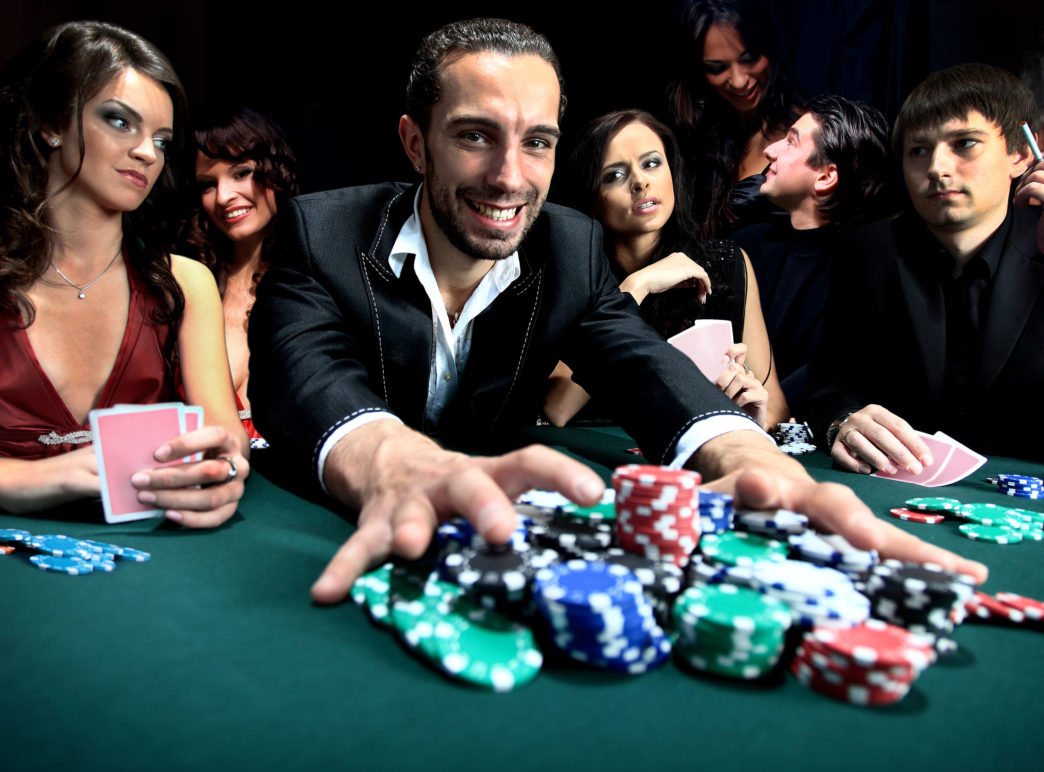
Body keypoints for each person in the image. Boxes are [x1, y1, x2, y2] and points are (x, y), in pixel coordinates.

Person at [246, 18, 986, 604]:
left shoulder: (570, 248)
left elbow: (644, 368)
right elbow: (300, 378)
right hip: (317, 535)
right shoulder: (323, 232)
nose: (509, 177)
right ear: (416, 142)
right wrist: (391, 462)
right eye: (475, 135)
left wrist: (748, 457)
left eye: (537, 142)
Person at [0, 21, 248, 524]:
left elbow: (227, 442)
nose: (147, 153)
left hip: (157, 538)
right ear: (52, 124)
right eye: (120, 121)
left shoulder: (186, 281)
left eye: (162, 140)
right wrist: (7, 479)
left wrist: (226, 470)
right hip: (5, 540)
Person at [803, 63, 1044, 472]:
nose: (936, 167)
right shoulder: (869, 251)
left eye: (964, 144)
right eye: (918, 150)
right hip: (900, 485)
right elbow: (828, 386)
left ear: (1020, 154)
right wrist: (841, 423)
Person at [544, 109, 788, 430]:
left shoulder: (726, 264)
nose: (640, 182)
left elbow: (775, 408)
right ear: (592, 198)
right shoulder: (571, 274)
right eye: (614, 175)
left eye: (651, 163)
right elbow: (556, 409)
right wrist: (637, 287)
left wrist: (748, 410)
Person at [734, 95, 891, 412]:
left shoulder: (869, 269)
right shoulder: (744, 244)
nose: (769, 150)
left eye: (791, 142)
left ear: (825, 177)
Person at [184, 107, 299, 444]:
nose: (223, 197)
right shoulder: (185, 285)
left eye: (241, 173)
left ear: (277, 171)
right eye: (208, 185)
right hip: (212, 468)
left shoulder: (317, 283)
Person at [668, 0, 804, 237]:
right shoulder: (694, 136)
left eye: (749, 59)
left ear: (769, 48)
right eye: (717, 68)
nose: (739, 81)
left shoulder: (806, 133)